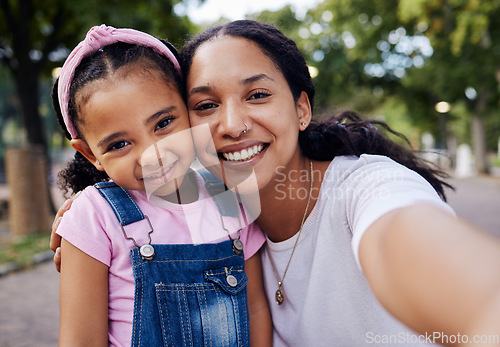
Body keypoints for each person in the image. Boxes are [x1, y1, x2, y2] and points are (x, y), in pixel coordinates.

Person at [52, 20, 500, 346]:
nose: (231, 124)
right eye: (206, 105)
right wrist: (88, 214)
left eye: (258, 94)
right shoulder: (211, 201)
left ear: (302, 108)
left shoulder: (366, 189)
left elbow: (405, 240)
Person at [51, 24, 271, 346]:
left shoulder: (231, 197)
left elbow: (256, 308)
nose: (151, 155)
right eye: (119, 144)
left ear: (189, 108)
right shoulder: (95, 217)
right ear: (90, 154)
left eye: (164, 123)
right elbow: (80, 340)